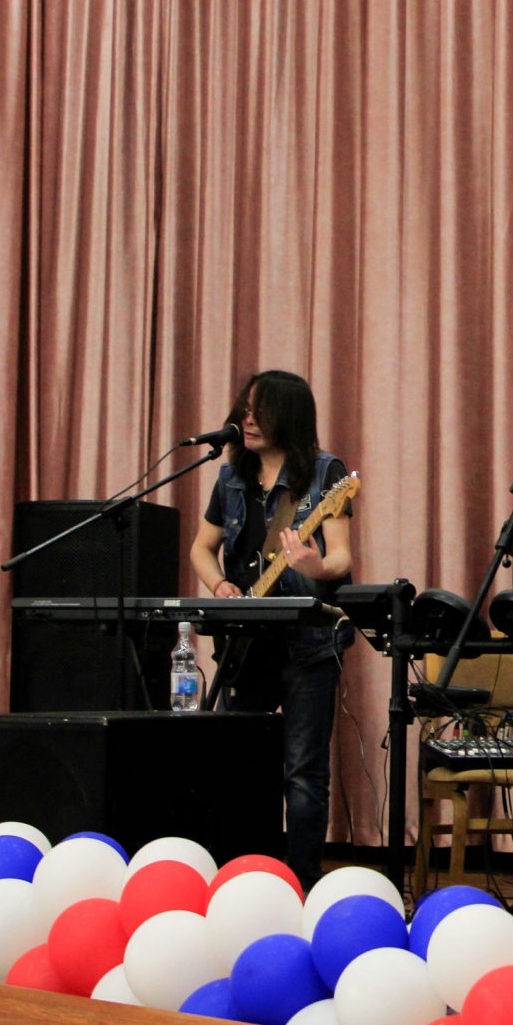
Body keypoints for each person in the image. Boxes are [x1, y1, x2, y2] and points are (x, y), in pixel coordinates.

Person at [189, 369, 356, 891]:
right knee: (239, 763)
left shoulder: (326, 473)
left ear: (290, 415)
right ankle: (242, 877)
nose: (248, 419)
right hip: (245, 641)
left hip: (308, 644)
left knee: (303, 771)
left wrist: (315, 564)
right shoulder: (230, 477)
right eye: (246, 408)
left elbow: (342, 558)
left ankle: (302, 882)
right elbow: (201, 548)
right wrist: (219, 585)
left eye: (261, 410)